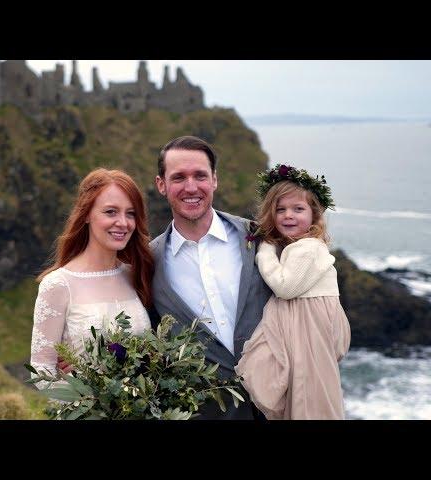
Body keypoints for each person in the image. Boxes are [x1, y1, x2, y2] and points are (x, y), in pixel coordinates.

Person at [150, 136, 272, 420]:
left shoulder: (260, 237)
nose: (191, 187)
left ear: (214, 180)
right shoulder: (147, 262)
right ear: (161, 185)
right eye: (178, 177)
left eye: (200, 176)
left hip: (281, 403)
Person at [234, 164, 351, 419]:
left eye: (298, 209)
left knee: (308, 395)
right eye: (281, 210)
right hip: (301, 321)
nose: (289, 215)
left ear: (314, 215)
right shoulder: (295, 247)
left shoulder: (308, 247)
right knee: (299, 390)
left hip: (308, 324)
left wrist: (264, 250)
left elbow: (285, 287)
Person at [30, 168, 155, 389]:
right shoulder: (58, 285)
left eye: (131, 213)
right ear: (87, 213)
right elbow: (42, 372)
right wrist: (91, 396)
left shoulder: (134, 274)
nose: (123, 223)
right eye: (110, 212)